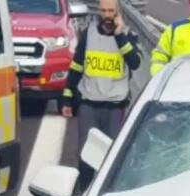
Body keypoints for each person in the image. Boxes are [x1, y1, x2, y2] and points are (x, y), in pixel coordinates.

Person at [61, 0, 142, 146]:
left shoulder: (128, 35)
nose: (107, 15)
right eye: (103, 11)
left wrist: (119, 36)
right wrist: (67, 98)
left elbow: (135, 63)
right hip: (88, 103)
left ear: (118, 12)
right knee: (86, 153)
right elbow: (76, 67)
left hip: (115, 106)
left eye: (111, 11)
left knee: (109, 153)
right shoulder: (88, 33)